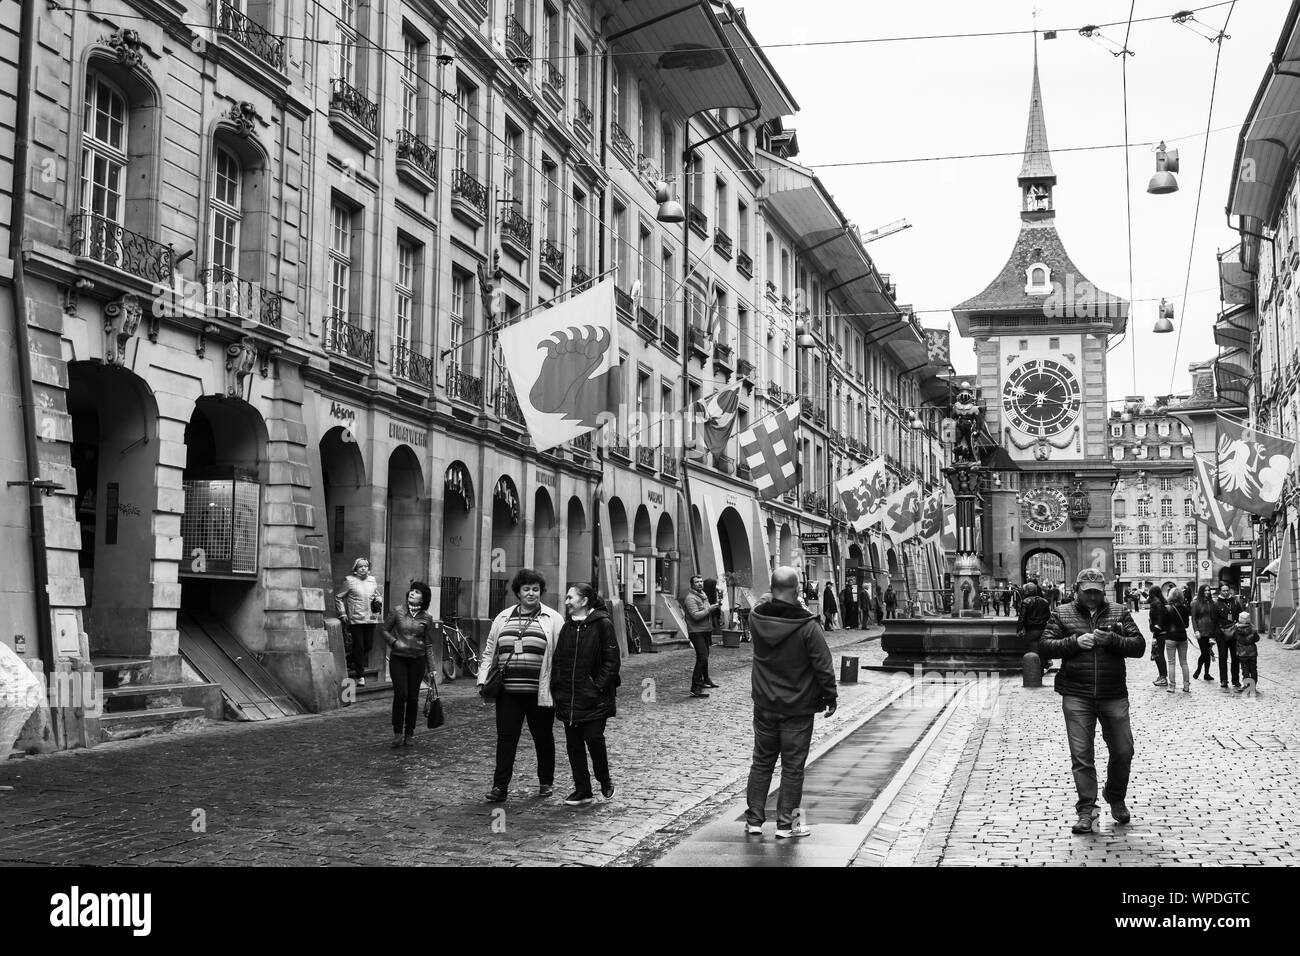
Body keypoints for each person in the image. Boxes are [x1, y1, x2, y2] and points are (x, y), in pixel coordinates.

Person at [1039, 568, 1144, 835]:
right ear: (1077, 591)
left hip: (1113, 693)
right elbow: (1045, 646)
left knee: (1123, 750)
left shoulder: (1119, 612)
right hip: (1076, 693)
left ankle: (1115, 795)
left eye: (1097, 592)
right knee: (1082, 756)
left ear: (1104, 591)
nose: (1093, 597)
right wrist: (1075, 642)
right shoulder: (1061, 613)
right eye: (1088, 593)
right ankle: (1087, 810)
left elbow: (1139, 646)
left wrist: (1112, 640)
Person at [743, 566, 837, 839]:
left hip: (764, 704)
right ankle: (786, 825)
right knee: (793, 767)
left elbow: (763, 600)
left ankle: (754, 821)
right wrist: (829, 697)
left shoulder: (755, 617)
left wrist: (775, 591)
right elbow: (823, 667)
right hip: (797, 707)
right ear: (797, 591)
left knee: (761, 763)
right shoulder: (808, 626)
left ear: (772, 590)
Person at [479, 569, 565, 803]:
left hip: (540, 692)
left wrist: (560, 686)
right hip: (508, 691)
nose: (531, 593)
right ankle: (500, 787)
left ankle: (546, 782)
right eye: (526, 589)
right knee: (506, 739)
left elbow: (562, 654)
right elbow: (490, 651)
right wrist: (482, 679)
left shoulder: (553, 618)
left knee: (543, 737)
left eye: (535, 589)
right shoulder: (503, 618)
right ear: (518, 592)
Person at [551, 584, 620, 805]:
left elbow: (611, 661)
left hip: (594, 698)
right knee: (574, 745)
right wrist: (557, 687)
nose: (567, 602)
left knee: (593, 738)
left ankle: (604, 779)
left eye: (571, 597)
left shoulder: (602, 624)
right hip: (569, 698)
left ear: (584, 600)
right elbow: (559, 660)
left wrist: (597, 687)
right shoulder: (568, 627)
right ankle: (583, 790)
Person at [381, 581, 437, 747]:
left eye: (417, 592)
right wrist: (393, 642)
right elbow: (383, 630)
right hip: (398, 658)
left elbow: (428, 644)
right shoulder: (397, 611)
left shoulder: (427, 618)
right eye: (412, 590)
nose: (412, 593)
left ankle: (409, 733)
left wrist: (432, 668)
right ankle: (397, 733)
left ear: (423, 598)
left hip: (417, 660)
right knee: (400, 694)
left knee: (413, 697)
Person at [335, 557, 381, 687]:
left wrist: (378, 599)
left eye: (365, 566)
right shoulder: (349, 581)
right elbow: (338, 597)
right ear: (355, 569)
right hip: (355, 619)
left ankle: (349, 659)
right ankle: (360, 675)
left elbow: (377, 594)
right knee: (359, 646)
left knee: (368, 646)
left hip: (371, 618)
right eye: (360, 566)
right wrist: (342, 613)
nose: (363, 568)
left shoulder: (372, 580)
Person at [682, 575, 719, 697]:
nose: (700, 584)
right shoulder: (690, 598)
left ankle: (705, 680)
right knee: (702, 657)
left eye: (701, 581)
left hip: (705, 630)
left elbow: (706, 611)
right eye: (697, 582)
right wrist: (710, 609)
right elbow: (695, 616)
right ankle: (695, 687)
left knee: (704, 656)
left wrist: (714, 608)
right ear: (692, 584)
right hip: (696, 631)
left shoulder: (703, 595)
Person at [1212, 584, 1243, 690]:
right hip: (1221, 634)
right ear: (1220, 591)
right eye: (1223, 591)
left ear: (1229, 591)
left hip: (1234, 634)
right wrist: (1213, 636)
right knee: (1223, 658)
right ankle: (1223, 680)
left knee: (1235, 657)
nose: (1225, 592)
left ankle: (1236, 679)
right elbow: (1214, 620)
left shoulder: (1235, 602)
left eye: (1227, 590)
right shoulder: (1216, 604)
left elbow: (1241, 615)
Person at [1017, 582, 1052, 670]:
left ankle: (1034, 673)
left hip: (1031, 630)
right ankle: (1043, 667)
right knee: (1042, 651)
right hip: (1043, 629)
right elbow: (1048, 616)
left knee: (1033, 652)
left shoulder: (1025, 602)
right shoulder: (1044, 601)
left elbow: (1022, 618)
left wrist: (1019, 629)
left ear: (1027, 591)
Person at [1162, 588, 1191, 694]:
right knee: (1184, 662)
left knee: (1171, 663)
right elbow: (1187, 624)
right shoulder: (1185, 608)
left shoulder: (1167, 608)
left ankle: (1172, 686)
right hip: (1182, 638)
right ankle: (1186, 686)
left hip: (1170, 637)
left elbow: (1164, 625)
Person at [1190, 585, 1217, 681]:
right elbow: (1193, 618)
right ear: (1202, 591)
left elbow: (1214, 618)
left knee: (1208, 652)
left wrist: (1214, 631)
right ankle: (1198, 670)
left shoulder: (1212, 603)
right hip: (1201, 631)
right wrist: (1196, 630)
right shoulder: (1196, 603)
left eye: (1209, 590)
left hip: (1210, 631)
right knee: (1204, 652)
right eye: (1205, 590)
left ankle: (1206, 673)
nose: (1208, 592)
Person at [1147, 585, 1170, 688]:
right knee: (1157, 654)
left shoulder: (1156, 603)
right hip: (1160, 632)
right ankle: (1162, 676)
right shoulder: (1159, 602)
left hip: (1159, 633)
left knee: (1158, 655)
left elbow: (1159, 621)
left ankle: (1163, 677)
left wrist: (1155, 635)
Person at [1231, 611, 1260, 693]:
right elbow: (1257, 639)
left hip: (1242, 653)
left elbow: (1232, 636)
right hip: (1252, 653)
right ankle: (1253, 686)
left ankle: (1247, 685)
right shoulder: (1253, 629)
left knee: (1245, 670)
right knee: (1253, 669)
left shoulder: (1237, 629)